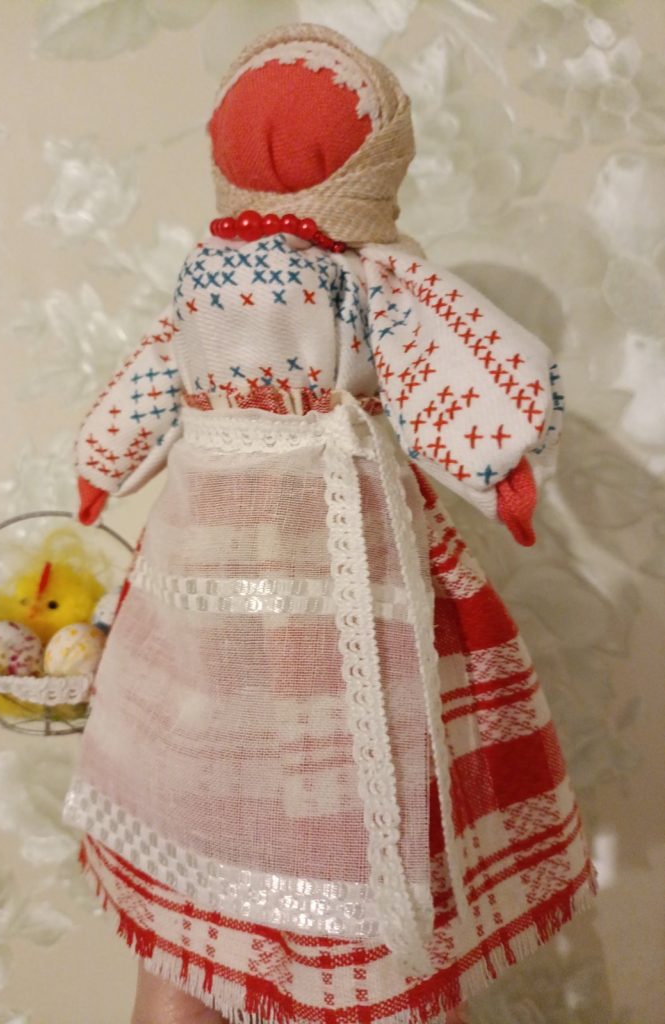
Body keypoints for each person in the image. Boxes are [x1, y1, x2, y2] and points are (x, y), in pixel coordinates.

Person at [65, 24, 596, 1024]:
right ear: (374, 158)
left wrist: (99, 472)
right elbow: (465, 363)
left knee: (199, 830)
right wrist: (503, 470)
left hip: (208, 582)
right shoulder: (366, 276)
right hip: (331, 571)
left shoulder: (203, 277)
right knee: (360, 797)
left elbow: (141, 394)